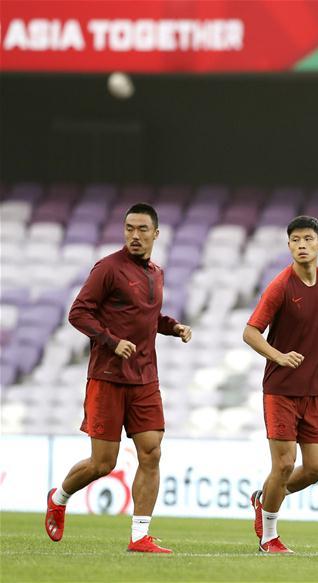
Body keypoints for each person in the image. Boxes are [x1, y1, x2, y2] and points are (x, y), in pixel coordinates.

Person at [45, 203, 192, 553]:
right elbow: (77, 313)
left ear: (156, 234)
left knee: (152, 452)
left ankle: (140, 536)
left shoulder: (157, 272)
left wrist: (173, 327)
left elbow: (147, 318)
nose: (135, 235)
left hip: (144, 378)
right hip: (108, 377)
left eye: (142, 229)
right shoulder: (108, 268)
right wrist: (112, 342)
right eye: (129, 228)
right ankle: (59, 496)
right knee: (103, 463)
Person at [243, 215, 318, 554]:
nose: (302, 245)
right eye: (295, 240)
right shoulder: (281, 286)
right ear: (289, 246)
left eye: (308, 240)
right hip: (281, 389)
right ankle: (269, 535)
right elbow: (250, 332)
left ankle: (264, 497)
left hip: (317, 388)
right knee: (283, 466)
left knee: (317, 467)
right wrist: (279, 356)